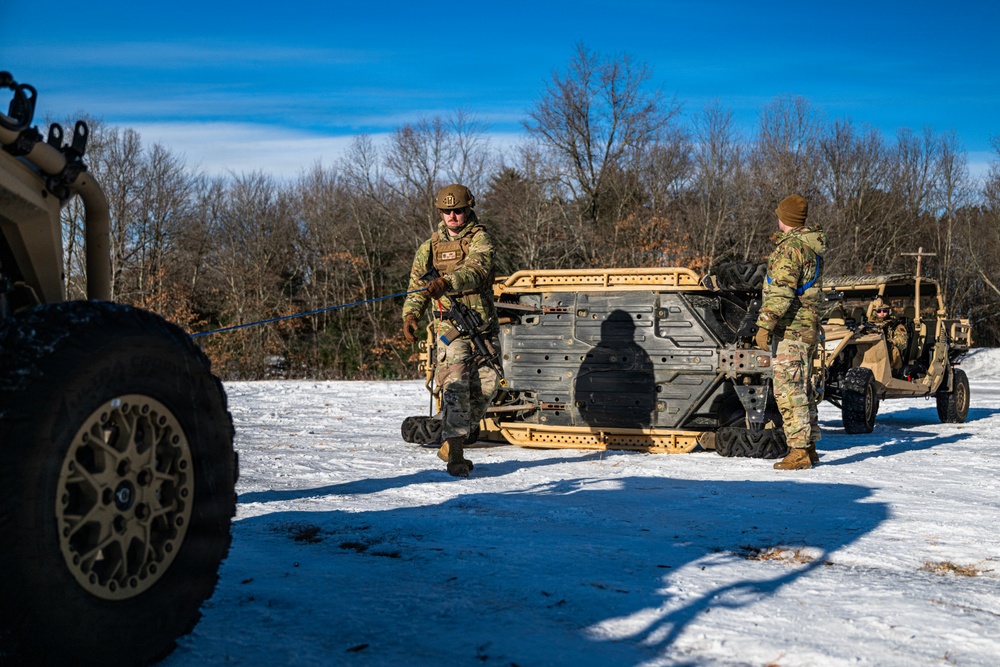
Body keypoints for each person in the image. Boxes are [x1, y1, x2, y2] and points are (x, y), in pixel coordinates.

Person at [401, 184, 501, 478]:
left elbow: (477, 269)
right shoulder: (428, 248)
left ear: (469, 208)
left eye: (458, 210)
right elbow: (417, 287)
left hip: (482, 326)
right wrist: (411, 314)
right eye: (447, 211)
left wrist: (448, 282)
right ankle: (455, 454)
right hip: (450, 327)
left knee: (489, 383)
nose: (453, 216)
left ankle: (451, 435)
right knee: (456, 386)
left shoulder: (481, 239)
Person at [754, 194, 829, 470]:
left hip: (792, 332)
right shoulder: (809, 247)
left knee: (789, 391)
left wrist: (765, 325)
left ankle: (798, 452)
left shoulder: (790, 250)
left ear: (785, 218)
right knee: (804, 390)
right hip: (806, 331)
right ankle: (808, 447)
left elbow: (781, 292)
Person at [871, 298, 908, 371]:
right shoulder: (870, 325)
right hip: (872, 351)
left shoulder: (895, 325)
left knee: (894, 350)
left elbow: (903, 341)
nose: (882, 313)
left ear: (889, 311)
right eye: (879, 311)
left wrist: (891, 342)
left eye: (884, 311)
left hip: (888, 353)